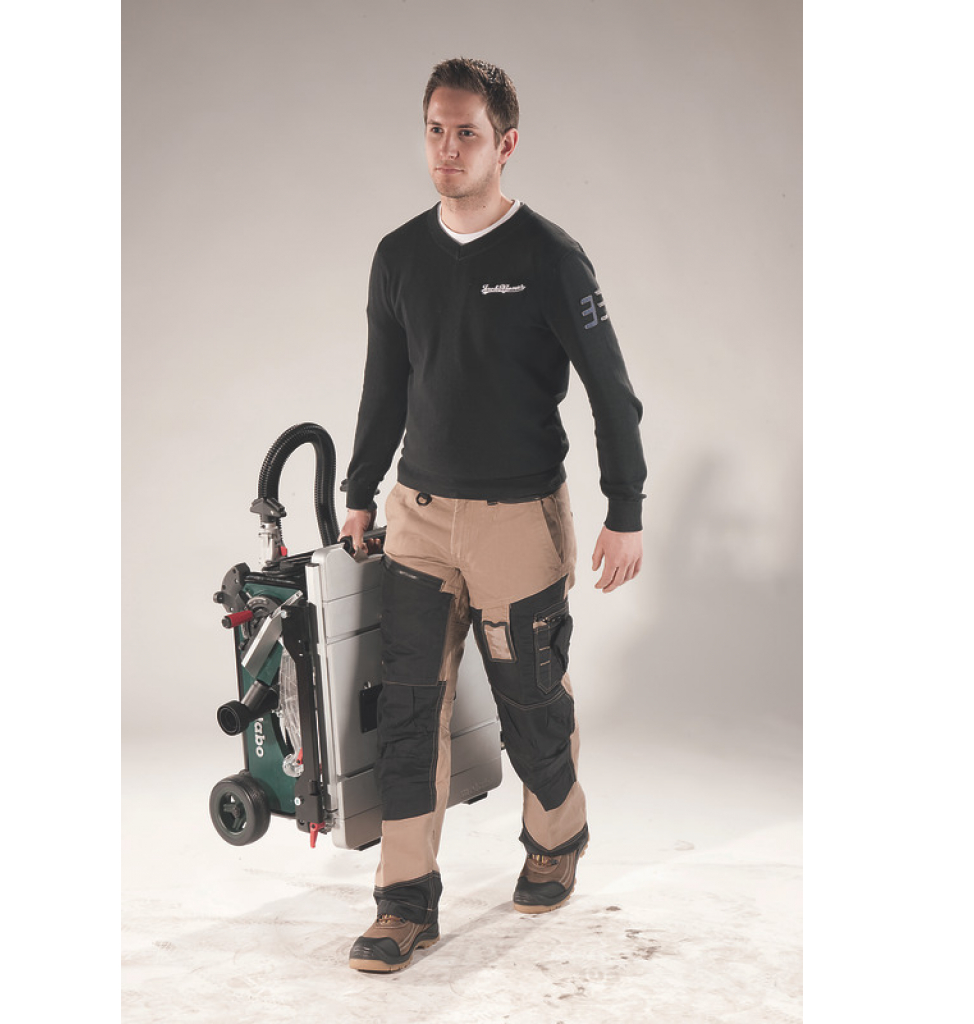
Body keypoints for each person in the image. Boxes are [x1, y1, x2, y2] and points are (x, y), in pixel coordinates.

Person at [338, 57, 647, 973]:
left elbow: (612, 392)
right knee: (408, 710)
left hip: (519, 519)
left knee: (530, 704)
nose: (447, 148)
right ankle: (404, 902)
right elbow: (383, 387)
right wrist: (359, 493)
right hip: (420, 518)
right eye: (435, 130)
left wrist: (625, 509)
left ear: (505, 144)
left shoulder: (549, 257)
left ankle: (558, 836)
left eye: (466, 133)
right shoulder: (399, 257)